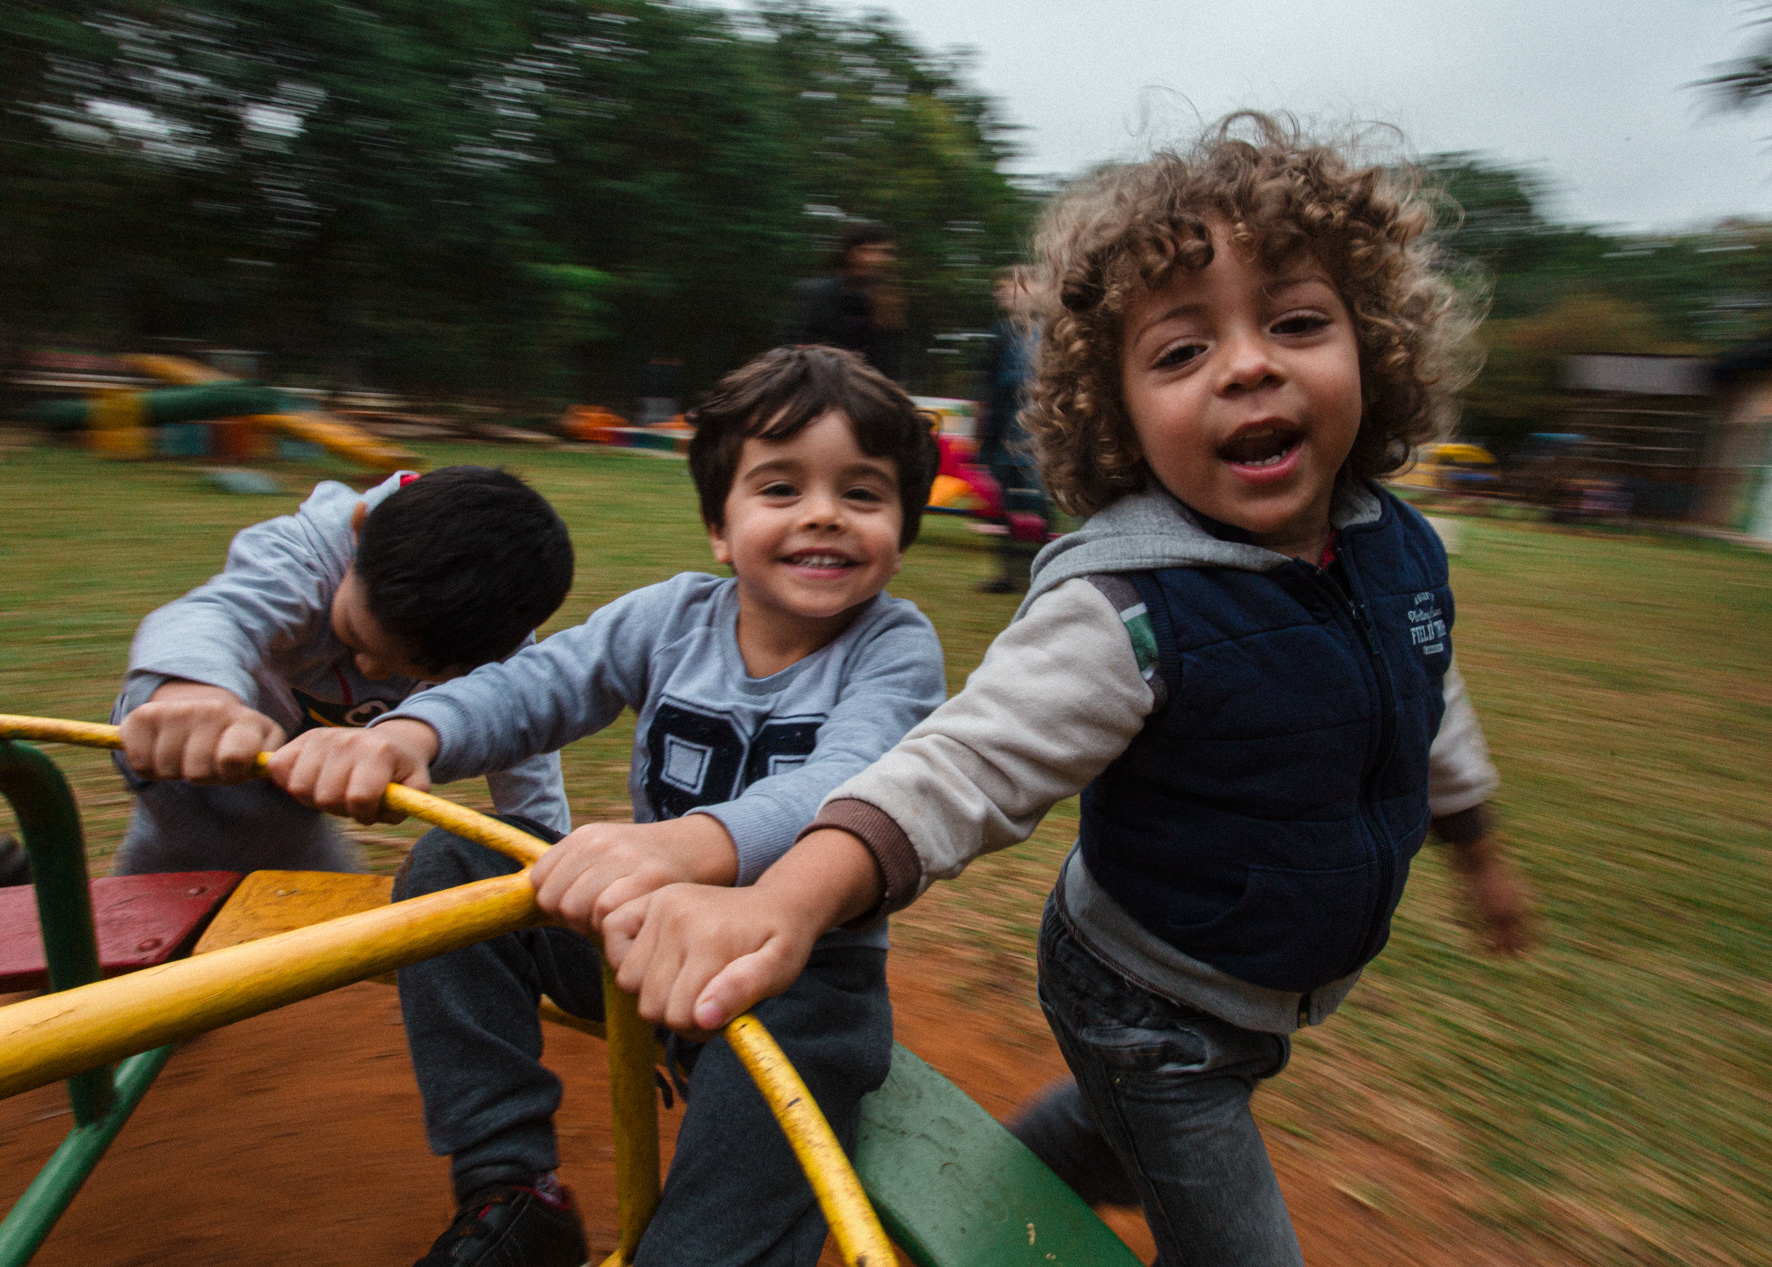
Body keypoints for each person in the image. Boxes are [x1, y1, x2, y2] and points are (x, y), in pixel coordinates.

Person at [592, 114, 1535, 1267]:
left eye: (1296, 322)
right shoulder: (1127, 606)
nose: (1247, 364)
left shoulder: (1398, 552)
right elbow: (961, 765)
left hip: (1248, 988)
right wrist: (785, 899)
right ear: (1117, 410)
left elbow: (1424, 694)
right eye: (1181, 352)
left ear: (1372, 347)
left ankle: (1008, 1176)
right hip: (1146, 1006)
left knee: (1096, 1139)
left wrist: (1477, 850)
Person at [266, 345, 945, 1267]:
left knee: (774, 1124)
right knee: (454, 868)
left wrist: (685, 845)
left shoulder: (894, 647)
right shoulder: (670, 618)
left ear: (901, 530)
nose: (823, 513)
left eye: (862, 494)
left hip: (796, 971)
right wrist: (408, 735)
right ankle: (511, 1187)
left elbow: (850, 779)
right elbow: (535, 684)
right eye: (780, 488)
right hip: (633, 942)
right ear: (719, 523)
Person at [113, 466, 574, 876]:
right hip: (191, 742)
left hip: (292, 776)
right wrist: (196, 696)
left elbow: (521, 737)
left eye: (411, 670)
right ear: (358, 534)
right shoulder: (301, 557)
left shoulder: (492, 633)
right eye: (355, 633)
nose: (370, 670)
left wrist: (549, 852)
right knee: (184, 875)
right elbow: (216, 615)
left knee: (298, 870)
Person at [975, 265, 1050, 594]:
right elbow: (986, 389)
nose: (1002, 293)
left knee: (1040, 507)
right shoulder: (1000, 332)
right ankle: (1007, 575)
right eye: (1002, 288)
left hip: (1039, 438)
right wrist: (982, 436)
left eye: (1012, 287)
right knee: (1003, 506)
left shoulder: (1052, 332)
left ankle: (1043, 575)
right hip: (1003, 436)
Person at [777, 221, 904, 381]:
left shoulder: (889, 305)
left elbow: (887, 368)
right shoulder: (815, 295)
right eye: (866, 250)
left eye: (884, 252)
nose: (874, 259)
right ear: (849, 253)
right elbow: (788, 355)